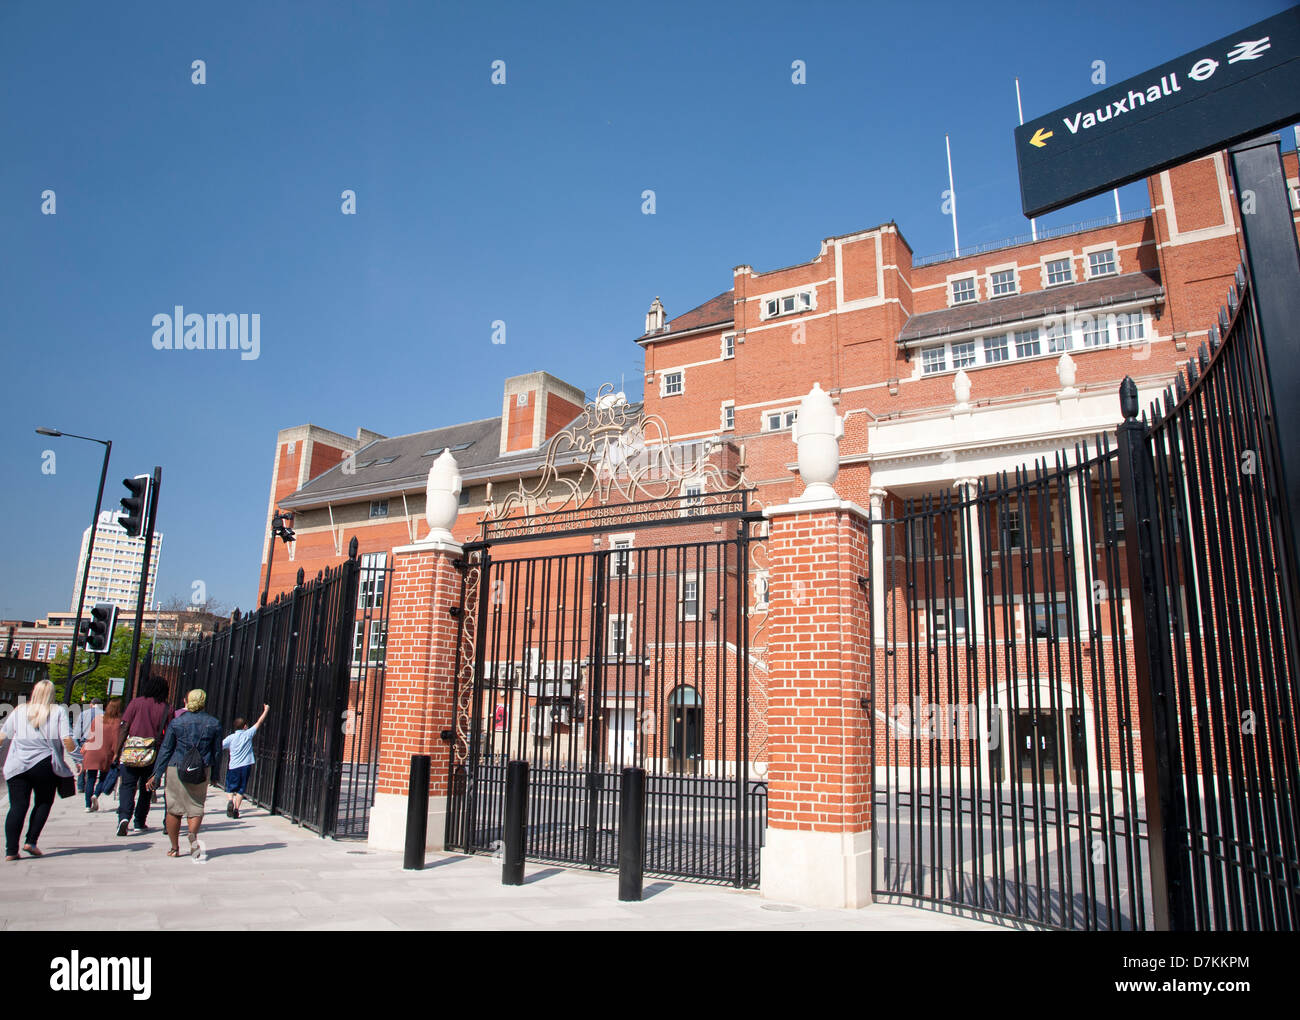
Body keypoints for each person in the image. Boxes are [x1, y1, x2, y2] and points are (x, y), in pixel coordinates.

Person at [0, 680, 78, 860]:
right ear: (52, 694)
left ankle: (11, 851)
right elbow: (67, 739)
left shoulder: (19, 711)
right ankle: (31, 841)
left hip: (17, 765)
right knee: (43, 802)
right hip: (44, 765)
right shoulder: (58, 712)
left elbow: (3, 737)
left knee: (17, 806)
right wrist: (78, 759)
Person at [147, 688, 222, 859]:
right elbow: (217, 751)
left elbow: (166, 749)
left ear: (186, 701)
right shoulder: (214, 723)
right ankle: (193, 837)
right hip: (201, 768)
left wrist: (157, 773)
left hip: (176, 766)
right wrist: (215, 773)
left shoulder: (177, 722)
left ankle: (174, 847)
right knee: (196, 807)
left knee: (173, 809)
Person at [115, 675, 171, 837]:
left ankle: (124, 816)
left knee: (127, 786)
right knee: (146, 789)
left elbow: (125, 727)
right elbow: (168, 733)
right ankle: (139, 821)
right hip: (153, 753)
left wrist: (117, 751)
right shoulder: (166, 708)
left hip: (132, 751)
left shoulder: (136, 702)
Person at [221, 703, 269, 818]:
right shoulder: (248, 735)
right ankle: (237, 809)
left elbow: (220, 746)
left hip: (233, 765)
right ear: (245, 726)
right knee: (241, 788)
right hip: (246, 765)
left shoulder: (231, 738)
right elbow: (259, 722)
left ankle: (230, 801)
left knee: (230, 786)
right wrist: (266, 710)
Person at [81, 697, 123, 812]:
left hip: (92, 751)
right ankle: (96, 794)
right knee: (103, 778)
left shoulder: (98, 719)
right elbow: (115, 741)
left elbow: (91, 735)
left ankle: (87, 805)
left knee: (90, 778)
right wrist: (116, 754)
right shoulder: (117, 722)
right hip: (105, 754)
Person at [73, 698, 103, 793]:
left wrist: (77, 745)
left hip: (85, 742)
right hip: (98, 742)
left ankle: (81, 786)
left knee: (83, 763)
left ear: (91, 704)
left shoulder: (83, 714)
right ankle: (92, 785)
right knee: (93, 767)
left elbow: (77, 732)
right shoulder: (105, 714)